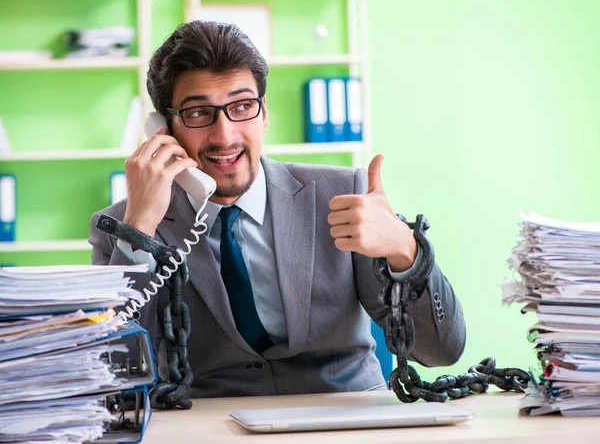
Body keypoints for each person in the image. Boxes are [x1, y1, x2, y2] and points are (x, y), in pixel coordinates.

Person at [89, 20, 466, 398]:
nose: (225, 135)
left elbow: (441, 351)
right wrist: (139, 228)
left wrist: (406, 251)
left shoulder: (343, 195)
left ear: (264, 112)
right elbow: (113, 370)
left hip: (344, 418)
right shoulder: (123, 227)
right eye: (199, 113)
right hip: (209, 427)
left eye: (242, 106)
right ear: (163, 129)